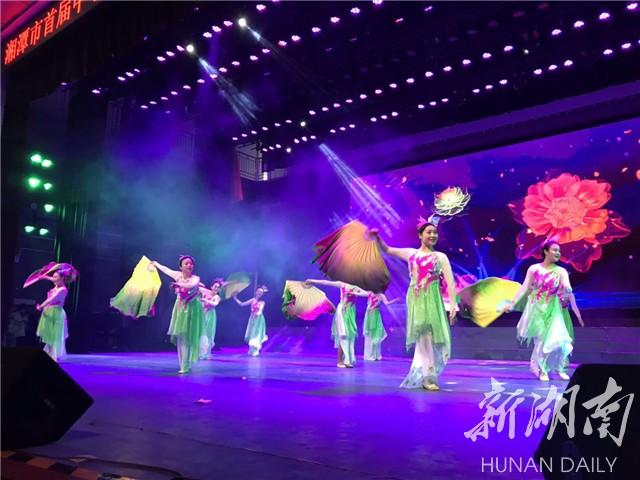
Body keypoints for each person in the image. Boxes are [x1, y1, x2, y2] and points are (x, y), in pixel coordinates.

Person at [370, 220, 456, 391]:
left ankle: (425, 372)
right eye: (429, 232)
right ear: (420, 235)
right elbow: (387, 250)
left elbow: (450, 282)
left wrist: (453, 304)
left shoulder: (440, 257)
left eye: (435, 232)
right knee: (424, 335)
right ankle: (428, 377)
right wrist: (377, 238)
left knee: (433, 337)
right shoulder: (411, 253)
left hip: (433, 299)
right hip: (417, 299)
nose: (433, 235)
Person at [506, 241, 581, 381]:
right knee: (541, 341)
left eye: (559, 251)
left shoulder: (561, 271)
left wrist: (567, 289)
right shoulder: (534, 269)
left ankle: (559, 368)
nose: (558, 253)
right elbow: (524, 287)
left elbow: (566, 285)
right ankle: (542, 369)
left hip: (554, 309)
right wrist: (512, 304)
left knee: (559, 338)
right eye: (555, 250)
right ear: (546, 251)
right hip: (536, 309)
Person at [152, 256, 204, 373]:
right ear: (181, 267)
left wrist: (178, 285)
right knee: (182, 337)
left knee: (190, 337)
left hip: (193, 309)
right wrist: (156, 264)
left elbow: (191, 285)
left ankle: (187, 363)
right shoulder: (178, 275)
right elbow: (166, 270)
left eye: (191, 264)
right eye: (186, 263)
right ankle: (183, 365)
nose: (189, 265)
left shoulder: (195, 278)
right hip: (180, 309)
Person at [305, 279, 368, 368]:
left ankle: (347, 360)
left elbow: (366, 294)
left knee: (349, 336)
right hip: (342, 311)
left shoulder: (355, 287)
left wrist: (355, 293)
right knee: (343, 335)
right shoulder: (342, 284)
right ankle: (340, 361)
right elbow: (327, 282)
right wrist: (312, 281)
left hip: (351, 312)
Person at [35, 270, 74, 361]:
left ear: (62, 278)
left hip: (56, 312)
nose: (53, 279)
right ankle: (49, 353)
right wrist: (43, 276)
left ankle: (54, 355)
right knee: (48, 333)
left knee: (55, 334)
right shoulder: (56, 285)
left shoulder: (62, 289)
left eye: (56, 277)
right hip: (49, 311)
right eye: (53, 276)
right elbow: (51, 279)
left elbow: (51, 299)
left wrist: (41, 306)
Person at [363, 292, 398, 361]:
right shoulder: (370, 293)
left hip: (376, 315)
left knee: (377, 334)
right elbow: (362, 293)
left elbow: (387, 303)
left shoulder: (381, 295)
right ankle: (371, 355)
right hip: (370, 315)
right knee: (371, 335)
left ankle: (376, 355)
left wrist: (395, 300)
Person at [234, 285, 268, 356]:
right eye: (258, 291)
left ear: (262, 294)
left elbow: (260, 309)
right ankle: (251, 350)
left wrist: (257, 314)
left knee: (256, 333)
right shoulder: (252, 300)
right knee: (252, 333)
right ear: (256, 292)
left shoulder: (262, 302)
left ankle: (255, 350)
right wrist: (235, 298)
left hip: (259, 319)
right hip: (252, 318)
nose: (259, 293)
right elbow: (242, 304)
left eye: (261, 292)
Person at [199, 279, 223, 360]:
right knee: (201, 333)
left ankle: (206, 353)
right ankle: (200, 353)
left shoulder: (217, 297)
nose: (216, 288)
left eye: (218, 287)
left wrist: (205, 300)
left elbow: (215, 304)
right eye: (215, 286)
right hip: (203, 313)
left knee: (208, 334)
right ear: (212, 287)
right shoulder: (206, 292)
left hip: (210, 315)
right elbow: (197, 287)